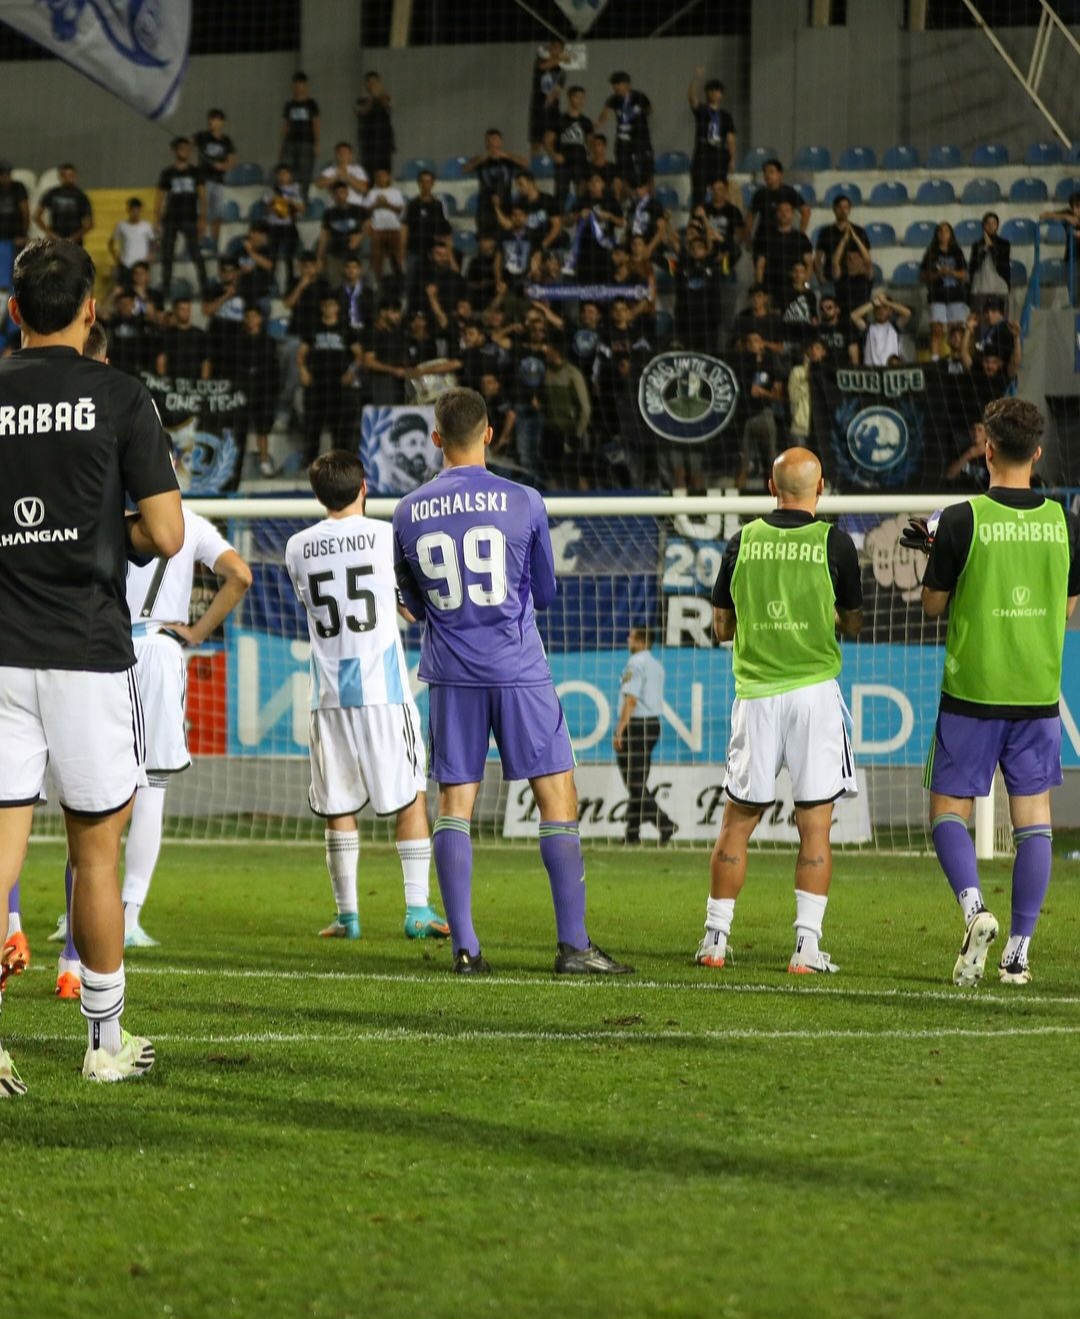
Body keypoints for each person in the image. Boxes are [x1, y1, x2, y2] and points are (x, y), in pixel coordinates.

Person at [0, 239, 183, 1092]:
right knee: (96, 855)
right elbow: (169, 534)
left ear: (12, 311)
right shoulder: (119, 394)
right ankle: (104, 1043)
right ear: (90, 312)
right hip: (85, 651)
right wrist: (113, 531)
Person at [392, 387, 633, 976]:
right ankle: (573, 946)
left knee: (455, 805)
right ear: (491, 434)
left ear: (436, 439)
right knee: (557, 799)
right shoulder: (523, 500)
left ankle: (466, 949)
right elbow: (545, 593)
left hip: (451, 673)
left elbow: (414, 605)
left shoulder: (406, 511)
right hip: (519, 669)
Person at [910, 398, 1079, 986]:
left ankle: (974, 908)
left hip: (973, 689)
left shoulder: (960, 519)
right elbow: (1067, 609)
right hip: (1036, 690)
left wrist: (936, 559)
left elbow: (933, 606)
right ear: (1037, 452)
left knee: (947, 813)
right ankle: (1019, 952)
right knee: (1034, 821)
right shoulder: (1064, 521)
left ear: (986, 448)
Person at [700, 448, 862, 974]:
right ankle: (806, 949)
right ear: (821, 489)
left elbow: (721, 628)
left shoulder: (742, 540)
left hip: (757, 695)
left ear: (773, 488)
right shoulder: (834, 542)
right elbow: (854, 623)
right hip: (814, 694)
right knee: (815, 827)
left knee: (736, 824)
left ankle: (715, 941)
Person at [285, 452, 449, 942]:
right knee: (409, 796)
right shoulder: (386, 535)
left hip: (329, 694)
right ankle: (416, 909)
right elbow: (411, 607)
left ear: (318, 494)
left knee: (339, 803)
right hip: (383, 689)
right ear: (364, 488)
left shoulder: (297, 546)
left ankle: (349, 915)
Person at [121, 512, 252, 947]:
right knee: (151, 785)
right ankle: (127, 915)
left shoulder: (97, 510)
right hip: (158, 650)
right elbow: (240, 575)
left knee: (89, 790)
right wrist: (197, 632)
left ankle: (77, 915)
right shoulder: (188, 522)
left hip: (101, 645)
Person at [614, 628, 676, 846]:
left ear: (641, 641)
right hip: (652, 725)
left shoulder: (635, 664)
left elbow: (631, 699)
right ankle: (632, 834)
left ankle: (664, 823)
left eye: (630, 636)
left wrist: (620, 729)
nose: (627, 639)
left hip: (636, 725)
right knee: (637, 782)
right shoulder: (657, 666)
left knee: (635, 782)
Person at [155, 137, 208, 299]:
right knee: (167, 255)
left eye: (187, 149)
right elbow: (160, 197)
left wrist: (202, 218)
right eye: (181, 149)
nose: (184, 152)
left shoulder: (195, 172)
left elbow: (202, 196)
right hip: (171, 218)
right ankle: (165, 289)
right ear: (175, 151)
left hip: (190, 217)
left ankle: (205, 287)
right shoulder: (167, 173)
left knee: (195, 253)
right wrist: (157, 220)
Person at [920, 222, 969, 360]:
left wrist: (950, 272)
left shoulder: (957, 252)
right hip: (937, 296)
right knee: (937, 330)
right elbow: (924, 276)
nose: (943, 234)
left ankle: (958, 358)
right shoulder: (931, 252)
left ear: (951, 234)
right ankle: (935, 360)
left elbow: (964, 274)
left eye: (946, 231)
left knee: (957, 330)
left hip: (956, 295)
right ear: (936, 234)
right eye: (940, 231)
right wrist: (939, 274)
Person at [597, 71, 654, 189]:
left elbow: (649, 110)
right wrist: (600, 121)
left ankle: (650, 201)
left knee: (647, 172)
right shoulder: (613, 99)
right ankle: (628, 200)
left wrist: (637, 119)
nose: (616, 87)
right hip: (623, 141)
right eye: (614, 84)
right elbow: (605, 113)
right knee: (624, 172)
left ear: (627, 84)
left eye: (619, 83)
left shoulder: (639, 96)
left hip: (641, 140)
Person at [687, 69, 736, 204]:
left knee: (720, 190)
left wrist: (732, 158)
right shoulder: (702, 110)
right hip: (703, 155)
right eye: (712, 90)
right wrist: (696, 78)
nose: (715, 94)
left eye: (718, 91)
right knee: (699, 193)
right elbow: (692, 98)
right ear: (707, 93)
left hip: (719, 155)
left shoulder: (726, 116)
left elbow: (730, 137)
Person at [193, 108, 237, 247]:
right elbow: (187, 143)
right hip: (203, 181)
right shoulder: (202, 136)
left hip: (218, 181)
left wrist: (222, 166)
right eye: (212, 120)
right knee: (202, 213)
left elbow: (232, 161)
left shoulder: (226, 141)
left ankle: (214, 244)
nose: (214, 123)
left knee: (217, 215)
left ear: (222, 122)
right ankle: (198, 243)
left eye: (217, 120)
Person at [544, 85, 592, 208]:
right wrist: (554, 155)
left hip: (581, 162)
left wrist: (590, 157)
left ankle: (583, 223)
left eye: (582, 97)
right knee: (560, 196)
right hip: (564, 163)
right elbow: (547, 141)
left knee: (583, 194)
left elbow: (590, 142)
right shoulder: (560, 120)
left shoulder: (586, 122)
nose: (580, 100)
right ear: (570, 98)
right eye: (577, 97)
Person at [280, 71, 320, 199]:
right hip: (290, 143)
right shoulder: (289, 105)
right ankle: (287, 199)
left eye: (301, 84)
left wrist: (317, 143)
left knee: (305, 174)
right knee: (287, 171)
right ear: (293, 86)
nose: (299, 87)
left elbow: (316, 124)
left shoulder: (311, 104)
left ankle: (302, 201)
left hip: (306, 143)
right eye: (296, 84)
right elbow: (286, 125)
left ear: (306, 86)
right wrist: (282, 145)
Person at [967, 211, 1011, 317]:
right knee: (979, 318)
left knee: (1000, 318)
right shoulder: (977, 244)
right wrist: (983, 250)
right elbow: (973, 266)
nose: (991, 226)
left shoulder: (1004, 243)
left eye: (994, 223)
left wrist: (991, 247)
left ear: (997, 226)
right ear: (984, 226)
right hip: (980, 286)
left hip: (999, 286)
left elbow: (1003, 263)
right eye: (988, 223)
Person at [353, 72, 395, 181]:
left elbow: (389, 107)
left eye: (374, 82)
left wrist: (379, 95)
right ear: (366, 85)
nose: (372, 85)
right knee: (368, 173)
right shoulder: (360, 101)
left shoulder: (385, 98)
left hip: (384, 143)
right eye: (369, 82)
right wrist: (372, 97)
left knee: (384, 172)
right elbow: (361, 111)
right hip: (367, 144)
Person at [850, 293, 912, 367]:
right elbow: (854, 316)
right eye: (878, 308)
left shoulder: (895, 326)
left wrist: (886, 302)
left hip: (890, 370)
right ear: (873, 310)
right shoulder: (868, 328)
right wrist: (873, 303)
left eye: (884, 308)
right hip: (871, 372)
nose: (881, 311)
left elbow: (907, 313)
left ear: (890, 311)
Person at [528, 37, 566, 155]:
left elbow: (558, 89)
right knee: (536, 139)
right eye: (553, 46)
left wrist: (551, 99)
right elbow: (543, 67)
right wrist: (561, 58)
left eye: (558, 47)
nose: (554, 49)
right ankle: (534, 166)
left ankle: (553, 165)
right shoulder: (541, 60)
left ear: (561, 50)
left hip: (552, 108)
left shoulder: (561, 70)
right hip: (538, 106)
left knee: (552, 138)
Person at [108, 196, 156, 286]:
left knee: (142, 290)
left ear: (141, 210)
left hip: (142, 264)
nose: (135, 212)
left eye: (137, 209)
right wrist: (117, 258)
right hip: (126, 264)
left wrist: (151, 255)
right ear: (128, 210)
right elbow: (111, 243)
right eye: (132, 209)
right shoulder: (121, 226)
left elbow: (153, 242)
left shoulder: (147, 226)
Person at [315, 141, 369, 208]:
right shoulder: (329, 170)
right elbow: (318, 184)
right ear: (336, 155)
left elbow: (363, 189)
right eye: (339, 152)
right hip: (333, 207)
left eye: (345, 152)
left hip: (354, 206)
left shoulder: (358, 169)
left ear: (350, 155)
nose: (342, 154)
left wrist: (346, 176)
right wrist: (335, 177)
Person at [0, 161, 29, 253]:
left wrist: (23, 234)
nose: (5, 177)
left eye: (7, 174)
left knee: (17, 263)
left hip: (15, 234)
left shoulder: (18, 187)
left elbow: (25, 212)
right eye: (2, 175)